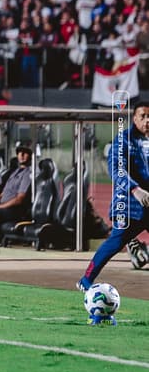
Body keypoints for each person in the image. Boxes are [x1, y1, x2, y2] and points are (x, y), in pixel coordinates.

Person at [77, 101, 149, 291]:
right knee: (115, 243)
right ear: (134, 118)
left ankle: (139, 252)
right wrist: (135, 189)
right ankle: (86, 280)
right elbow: (117, 171)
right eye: (143, 116)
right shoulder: (123, 140)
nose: (147, 120)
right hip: (128, 206)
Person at [0, 142, 33, 247]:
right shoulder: (15, 172)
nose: (21, 155)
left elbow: (19, 199)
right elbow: (5, 191)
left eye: (25, 153)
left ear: (30, 155)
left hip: (14, 210)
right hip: (3, 207)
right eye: (19, 152)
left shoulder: (28, 174)